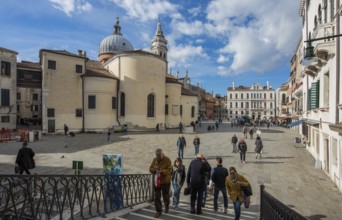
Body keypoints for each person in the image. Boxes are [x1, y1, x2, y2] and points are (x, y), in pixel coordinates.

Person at [149, 149, 172, 218]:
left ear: (162, 154)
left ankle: (167, 205)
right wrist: (154, 169)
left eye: (159, 156)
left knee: (166, 196)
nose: (158, 158)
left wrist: (161, 171)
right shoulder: (154, 160)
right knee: (157, 197)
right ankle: (158, 211)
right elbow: (150, 169)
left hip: (165, 182)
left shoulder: (167, 160)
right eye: (157, 156)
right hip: (157, 182)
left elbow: (169, 171)